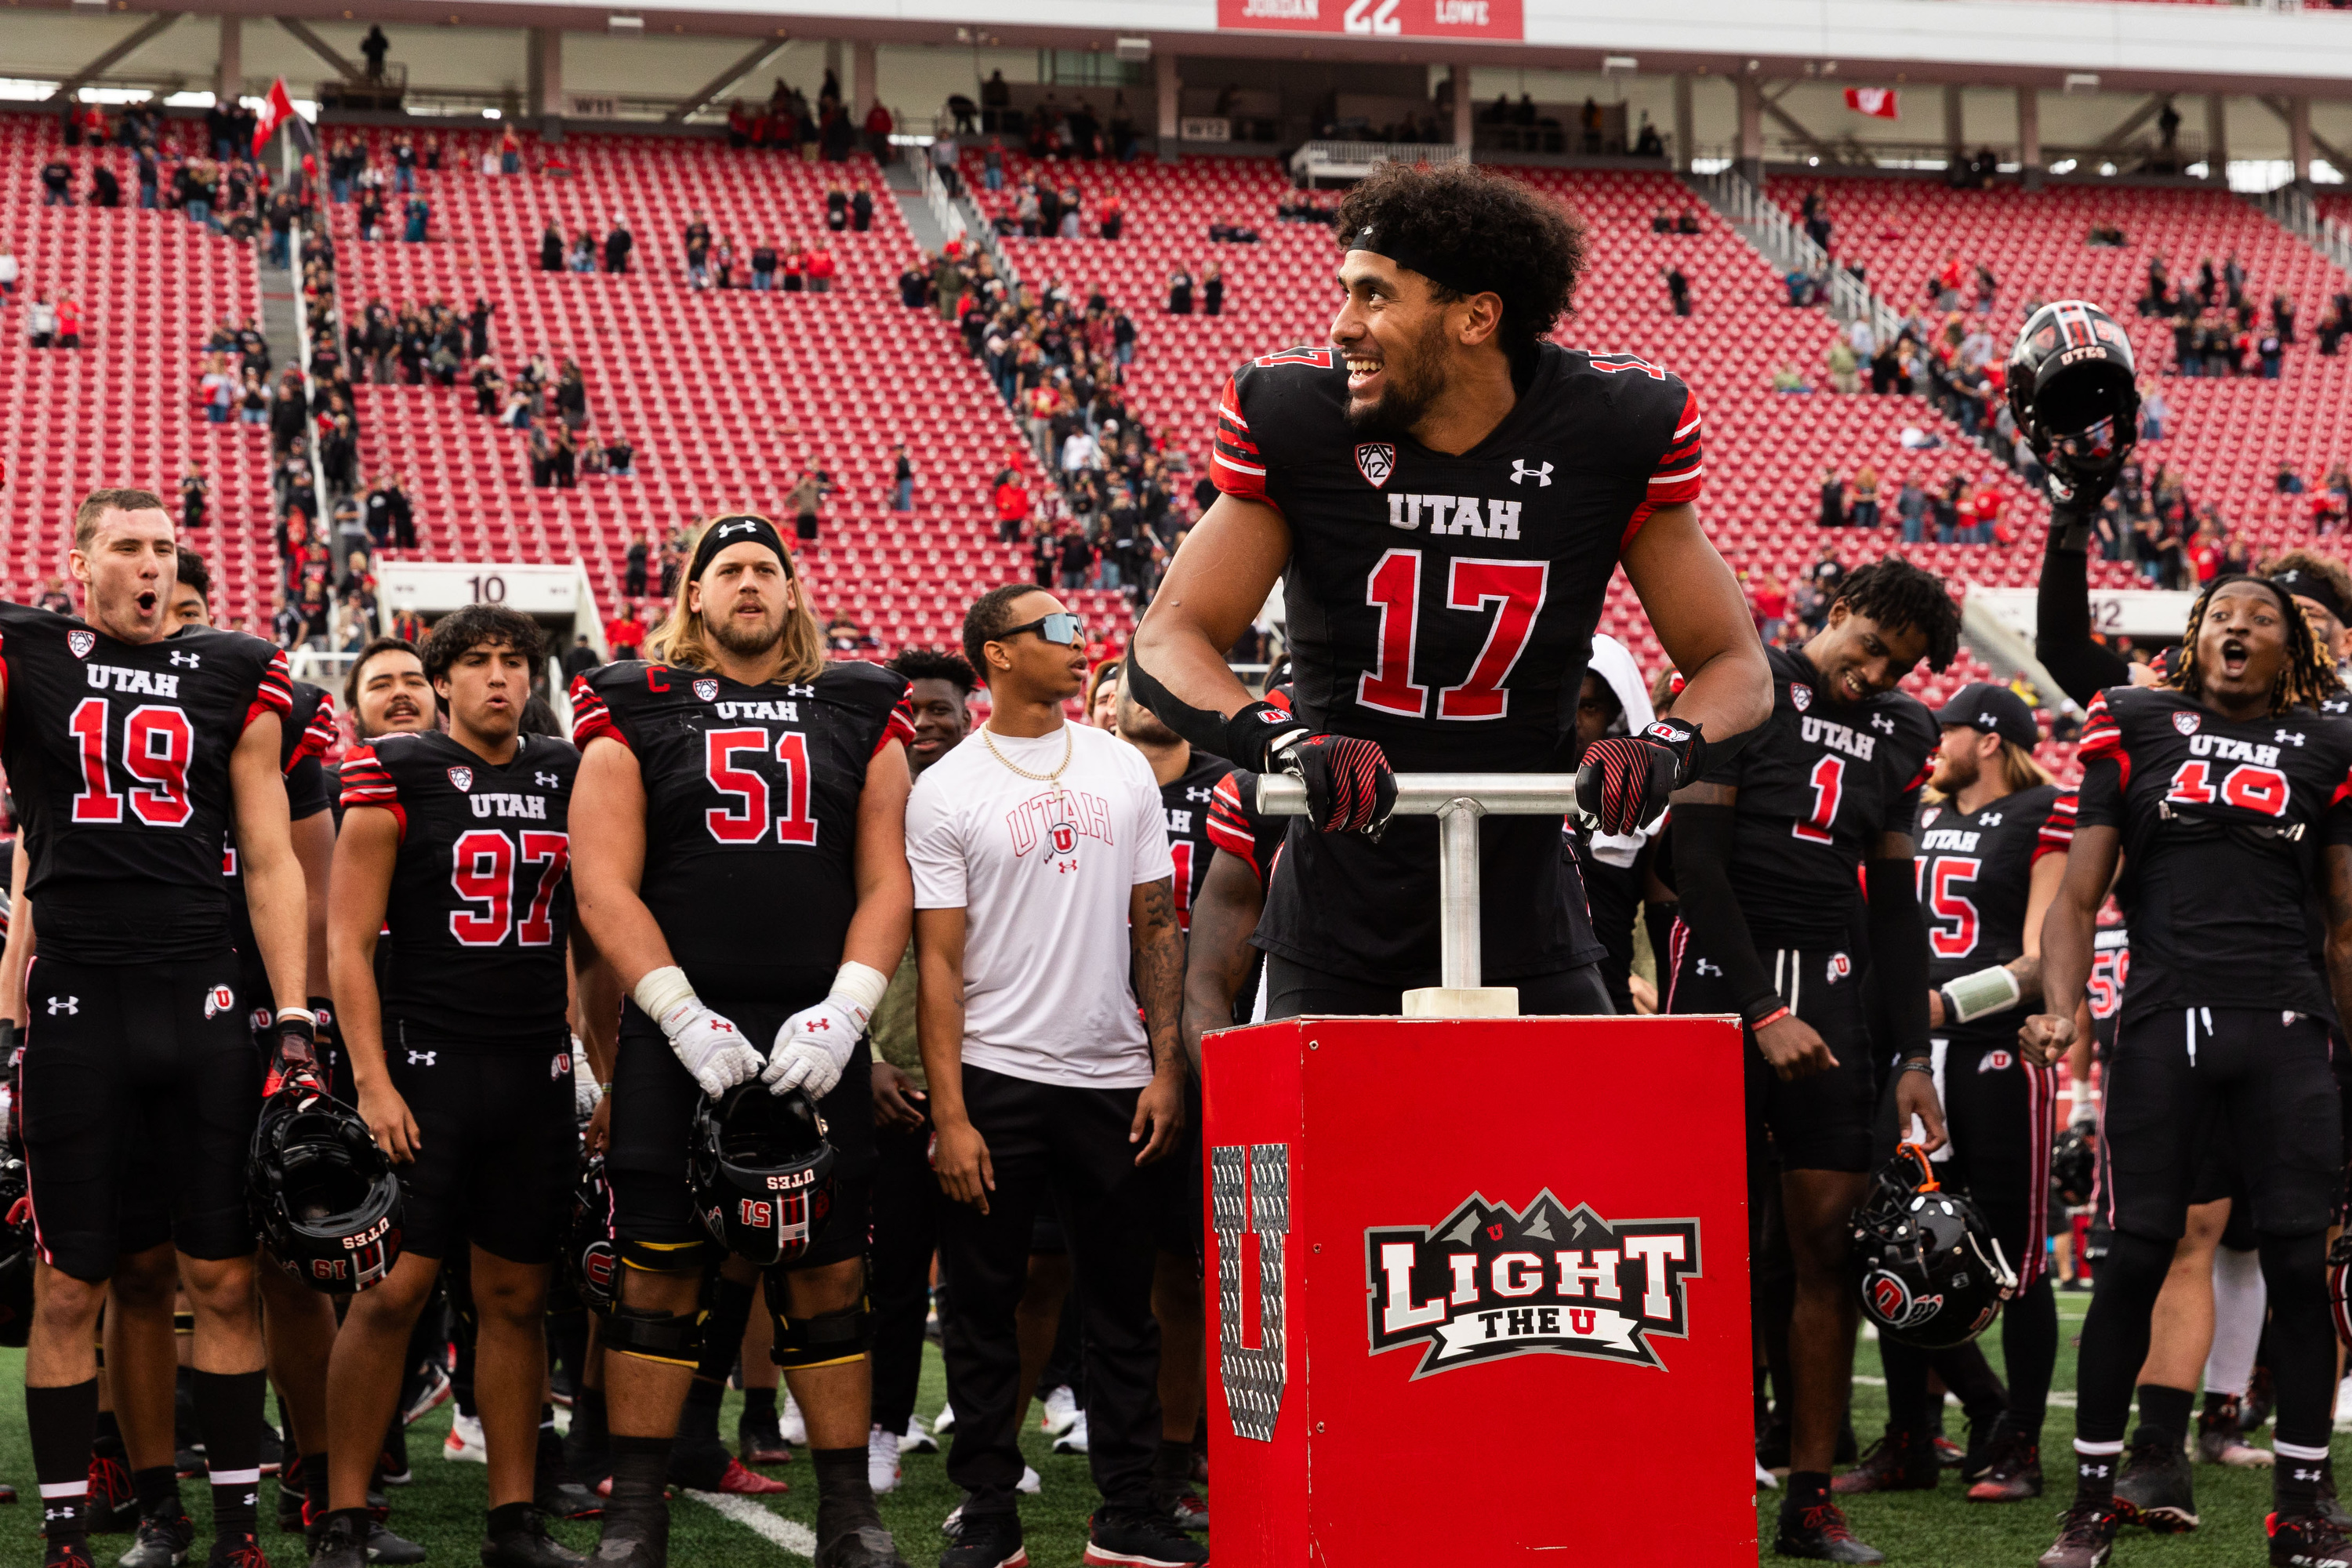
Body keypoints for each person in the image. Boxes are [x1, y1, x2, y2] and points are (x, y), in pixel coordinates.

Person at [1125, 158, 1771, 1018]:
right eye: (1347, 292)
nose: (1342, 325)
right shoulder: (1302, 421)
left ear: (1476, 316)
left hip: (1528, 897)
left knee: (1572, 1153)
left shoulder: (1609, 429)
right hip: (1338, 907)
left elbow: (1735, 661)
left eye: (1375, 296)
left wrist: (1665, 746)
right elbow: (1168, 636)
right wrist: (1284, 741)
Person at [568, 515, 916, 1568]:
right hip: (684, 1023)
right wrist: (675, 1012)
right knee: (658, 1274)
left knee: (824, 1270)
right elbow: (601, 879)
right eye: (729, 570)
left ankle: (848, 1512)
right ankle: (635, 1509)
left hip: (815, 1024)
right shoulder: (632, 702)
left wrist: (849, 1009)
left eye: (768, 567)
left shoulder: (861, 704)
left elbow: (889, 876)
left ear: (795, 593)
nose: (751, 584)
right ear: (693, 596)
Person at [8, 488, 308, 1568]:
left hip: (204, 999)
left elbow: (271, 858)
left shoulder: (232, 667)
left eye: (163, 549)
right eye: (127, 547)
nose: (148, 565)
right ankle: (68, 1537)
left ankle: (233, 1533)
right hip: (80, 1000)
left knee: (222, 1276)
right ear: (80, 562)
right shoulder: (29, 651)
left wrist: (297, 1015)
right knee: (71, 1281)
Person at [2029, 577, 2352, 1568]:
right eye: (2222, 616)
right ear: (2195, 641)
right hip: (2169, 1017)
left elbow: (2345, 924)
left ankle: (2300, 1504)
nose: (2239, 627)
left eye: (2262, 617)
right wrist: (2064, 1000)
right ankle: (2091, 1500)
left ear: (2290, 649)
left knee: (2304, 1265)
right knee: (2136, 1253)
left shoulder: (2329, 742)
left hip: (2289, 1020)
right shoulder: (2134, 720)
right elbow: (2081, 896)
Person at [1665, 557, 1959, 1562]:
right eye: (1871, 646)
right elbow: (1693, 861)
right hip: (1719, 981)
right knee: (1695, 1248)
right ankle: (1680, 1476)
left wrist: (1913, 1051)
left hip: (1833, 995)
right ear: (1836, 613)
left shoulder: (1907, 733)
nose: (1876, 674)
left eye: (1900, 665)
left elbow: (1894, 901)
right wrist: (1760, 1007)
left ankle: (1810, 1499)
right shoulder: (1744, 680)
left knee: (1826, 1248)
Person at [909, 586, 1203, 1568]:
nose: (1082, 644)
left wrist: (1164, 1067)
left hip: (1115, 1078)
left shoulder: (1122, 766)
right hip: (995, 1075)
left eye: (1081, 628)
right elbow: (940, 963)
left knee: (1123, 1306)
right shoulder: (947, 787)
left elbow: (1156, 922)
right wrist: (950, 1113)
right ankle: (989, 1513)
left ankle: (1128, 1509)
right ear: (996, 653)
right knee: (987, 1310)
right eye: (1058, 631)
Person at [316, 607, 593, 1568]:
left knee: (516, 1295)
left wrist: (595, 1059)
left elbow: (589, 931)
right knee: (392, 1292)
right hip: (429, 1062)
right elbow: (346, 942)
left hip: (533, 1070)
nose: (498, 678)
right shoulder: (396, 768)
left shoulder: (569, 771)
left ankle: (513, 1517)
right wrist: (373, 1079)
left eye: (514, 661)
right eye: (476, 662)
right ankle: (343, 1514)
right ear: (441, 681)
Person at [1834, 684, 2072, 1504]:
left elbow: (2043, 956)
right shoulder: (1917, 813)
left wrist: (1943, 1004)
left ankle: (2022, 1442)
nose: (1940, 741)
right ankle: (1913, 1432)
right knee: (1899, 1239)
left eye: (1955, 728)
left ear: (1993, 739)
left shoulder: (2044, 811)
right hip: (1909, 1055)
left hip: (1996, 1049)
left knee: (2016, 1257)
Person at [865, 647, 977, 1490]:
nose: (929, 722)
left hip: (988, 1076)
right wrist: (863, 1058)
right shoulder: (861, 812)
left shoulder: (991, 800)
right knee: (895, 1277)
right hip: (893, 1081)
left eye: (943, 708)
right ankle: (882, 1429)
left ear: (969, 711)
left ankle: (986, 1444)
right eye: (917, 710)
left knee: (987, 1280)